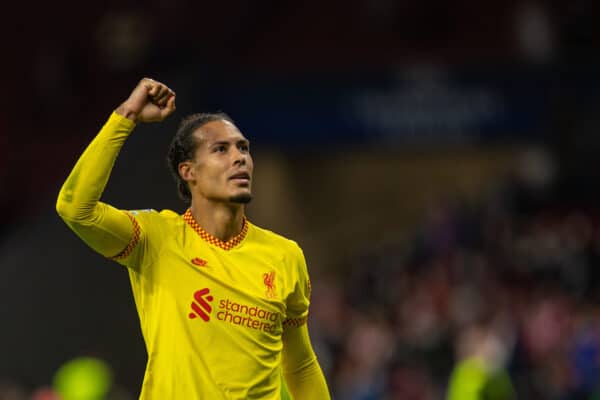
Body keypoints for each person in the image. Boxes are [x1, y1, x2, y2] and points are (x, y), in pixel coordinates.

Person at [56, 77, 331, 399]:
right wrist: (126, 116)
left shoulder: (285, 255)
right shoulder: (156, 238)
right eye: (221, 149)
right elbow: (75, 209)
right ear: (189, 171)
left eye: (243, 148)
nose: (239, 157)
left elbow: (300, 365)